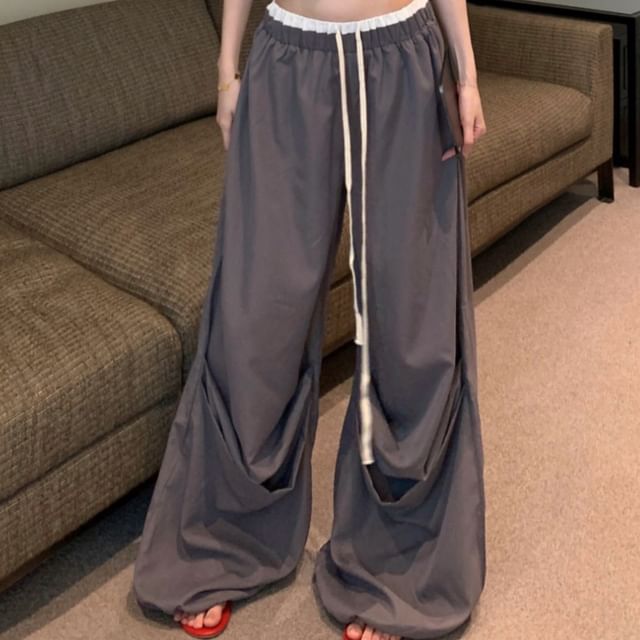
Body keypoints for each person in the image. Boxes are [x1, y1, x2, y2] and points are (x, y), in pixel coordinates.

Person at [132, 0, 488, 638]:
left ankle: (397, 563)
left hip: (402, 64)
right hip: (288, 65)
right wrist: (226, 71)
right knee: (255, 316)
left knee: (411, 320)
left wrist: (466, 72)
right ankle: (223, 540)